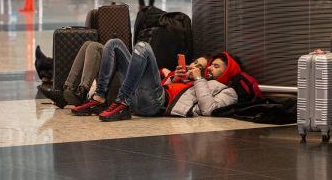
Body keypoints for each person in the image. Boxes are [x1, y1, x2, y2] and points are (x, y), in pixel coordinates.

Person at [71, 38, 242, 122]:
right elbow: (166, 87)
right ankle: (99, 98)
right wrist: (175, 78)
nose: (210, 68)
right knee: (113, 43)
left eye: (216, 66)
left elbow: (209, 109)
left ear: (228, 71)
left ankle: (121, 103)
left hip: (155, 104)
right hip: (143, 96)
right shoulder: (198, 81)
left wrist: (198, 78)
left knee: (143, 47)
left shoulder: (228, 91)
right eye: (212, 65)